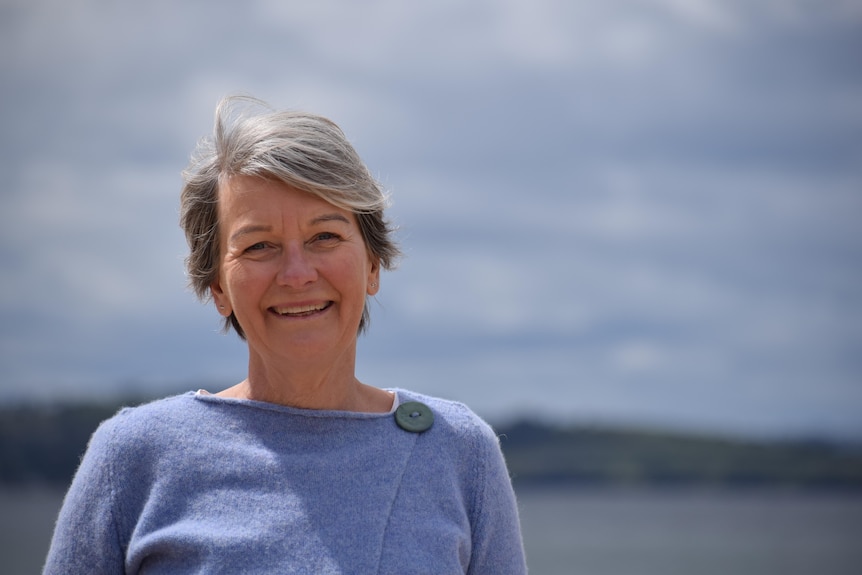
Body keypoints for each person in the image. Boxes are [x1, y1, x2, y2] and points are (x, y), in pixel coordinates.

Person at [43, 96, 527, 574]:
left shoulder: (460, 452)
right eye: (259, 246)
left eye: (325, 237)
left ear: (373, 265)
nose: (297, 274)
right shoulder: (131, 457)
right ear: (217, 287)